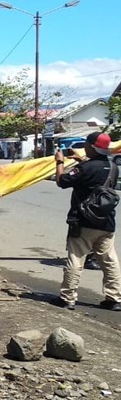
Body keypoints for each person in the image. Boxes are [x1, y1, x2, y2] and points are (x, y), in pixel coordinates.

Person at [51, 132, 121, 311]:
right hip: (106, 221)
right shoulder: (113, 167)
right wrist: (81, 160)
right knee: (109, 260)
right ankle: (114, 298)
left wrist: (59, 161)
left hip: (83, 221)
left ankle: (68, 298)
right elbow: (95, 177)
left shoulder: (85, 168)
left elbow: (61, 181)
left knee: (76, 258)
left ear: (91, 146)